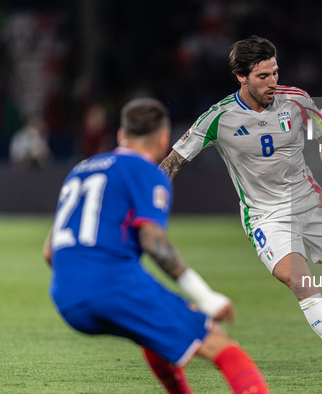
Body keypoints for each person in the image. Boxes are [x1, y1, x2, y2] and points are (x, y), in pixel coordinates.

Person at [159, 36, 322, 383]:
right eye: (263, 76)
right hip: (267, 217)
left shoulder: (296, 100)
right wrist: (146, 201)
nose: (272, 82)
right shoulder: (218, 118)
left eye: (275, 73)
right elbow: (172, 163)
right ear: (241, 77)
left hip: (310, 203)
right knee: (301, 282)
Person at [42, 98, 270, 394]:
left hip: (64, 296)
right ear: (164, 140)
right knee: (220, 344)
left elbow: (49, 251)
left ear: (121, 136)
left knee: (154, 336)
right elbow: (153, 241)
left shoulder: (82, 169)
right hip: (112, 285)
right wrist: (205, 296)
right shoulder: (147, 172)